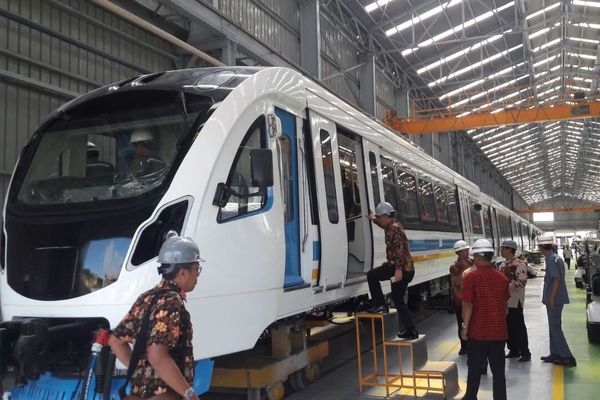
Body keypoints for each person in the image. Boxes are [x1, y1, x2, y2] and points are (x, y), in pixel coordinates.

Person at [109, 235, 203, 399]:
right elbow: (157, 356)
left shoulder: (146, 298)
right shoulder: (171, 303)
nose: (198, 275)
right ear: (182, 272)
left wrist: (142, 369)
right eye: (196, 269)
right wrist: (189, 394)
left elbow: (116, 341)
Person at [461, 239, 510, 400]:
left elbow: (467, 304)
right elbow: (505, 307)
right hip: (498, 334)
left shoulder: (471, 277)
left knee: (474, 369)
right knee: (498, 373)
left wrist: (465, 327)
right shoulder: (502, 278)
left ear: (476, 257)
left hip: (478, 333)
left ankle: (470, 397)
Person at [367, 201, 418, 340]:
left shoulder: (392, 229)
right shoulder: (393, 225)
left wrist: (397, 269)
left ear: (385, 216)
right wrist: (373, 219)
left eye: (379, 217)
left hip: (400, 268)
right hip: (406, 268)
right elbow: (382, 225)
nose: (379, 219)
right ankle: (411, 330)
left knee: (372, 275)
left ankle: (380, 306)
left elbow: (399, 249)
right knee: (398, 300)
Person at [538, 236, 576, 367]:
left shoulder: (552, 260)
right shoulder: (554, 257)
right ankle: (555, 353)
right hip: (556, 297)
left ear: (542, 248)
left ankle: (566, 356)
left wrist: (552, 298)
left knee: (555, 328)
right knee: (553, 327)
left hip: (555, 298)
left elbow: (556, 279)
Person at [499, 240, 531, 362]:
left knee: (518, 327)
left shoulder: (519, 264)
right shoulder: (502, 265)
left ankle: (525, 352)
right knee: (509, 326)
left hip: (515, 300)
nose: (501, 251)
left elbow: (522, 281)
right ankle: (513, 349)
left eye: (503, 249)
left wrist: (507, 286)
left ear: (509, 250)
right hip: (505, 301)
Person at [449, 240, 472, 355]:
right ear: (459, 252)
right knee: (461, 323)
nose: (468, 252)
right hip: (460, 300)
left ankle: (471, 344)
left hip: (470, 299)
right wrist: (464, 268)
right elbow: (457, 283)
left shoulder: (470, 262)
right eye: (465, 250)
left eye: (468, 250)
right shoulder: (454, 267)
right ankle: (464, 347)